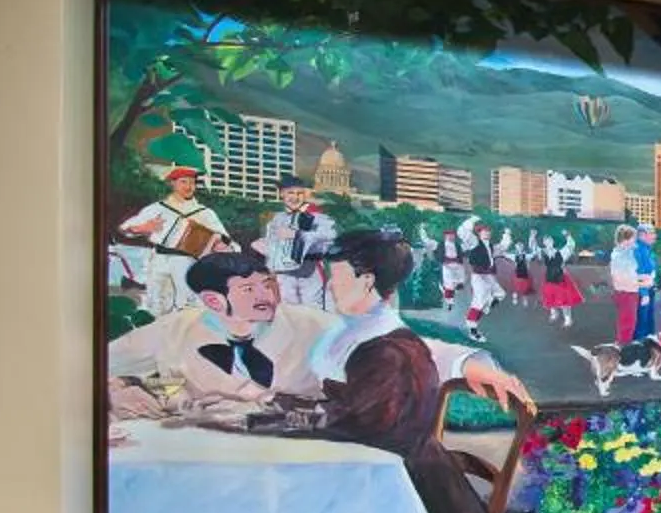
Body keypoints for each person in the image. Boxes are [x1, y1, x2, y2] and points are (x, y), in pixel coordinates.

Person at [108, 249, 528, 418]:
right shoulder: (173, 330)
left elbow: (401, 348)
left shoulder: (310, 325)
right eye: (249, 289)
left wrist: (471, 363)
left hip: (304, 454)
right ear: (215, 302)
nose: (266, 295)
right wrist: (142, 390)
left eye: (268, 282)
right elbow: (96, 367)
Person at [312, 228, 501, 513]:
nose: (329, 285)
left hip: (397, 483)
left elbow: (368, 429)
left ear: (367, 281)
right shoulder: (354, 330)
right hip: (366, 466)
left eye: (336, 277)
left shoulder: (388, 349)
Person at [117, 161, 232, 315]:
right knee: (156, 302)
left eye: (192, 182)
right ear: (173, 184)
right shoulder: (157, 208)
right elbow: (125, 228)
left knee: (188, 303)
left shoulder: (205, 212)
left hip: (187, 260)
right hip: (159, 258)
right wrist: (143, 228)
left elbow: (224, 239)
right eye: (184, 182)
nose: (189, 186)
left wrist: (220, 244)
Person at [257, 176, 335, 308]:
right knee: (288, 307)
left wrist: (297, 235)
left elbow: (329, 236)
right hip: (284, 272)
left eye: (299, 193)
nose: (295, 197)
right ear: (282, 194)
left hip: (309, 269)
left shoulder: (315, 216)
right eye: (290, 193)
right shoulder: (276, 219)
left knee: (313, 307)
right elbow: (273, 245)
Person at [458, 216, 501, 339]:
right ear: (479, 233)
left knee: (500, 294)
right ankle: (472, 330)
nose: (487, 233)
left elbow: (502, 247)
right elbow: (462, 232)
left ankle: (487, 307)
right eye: (484, 231)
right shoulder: (475, 242)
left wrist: (506, 236)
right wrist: (471, 221)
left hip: (489, 276)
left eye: (488, 231)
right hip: (478, 276)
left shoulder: (491, 246)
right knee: (479, 301)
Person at [608, 223, 650, 345]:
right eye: (633, 238)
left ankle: (622, 345)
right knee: (628, 322)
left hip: (629, 292)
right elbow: (623, 277)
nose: (634, 241)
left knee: (628, 321)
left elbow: (632, 272)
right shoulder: (620, 255)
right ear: (625, 239)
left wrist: (642, 278)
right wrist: (642, 281)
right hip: (626, 292)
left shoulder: (624, 252)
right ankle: (623, 347)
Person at [538, 242, 580, 326]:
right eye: (546, 241)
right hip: (550, 278)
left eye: (549, 241)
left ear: (552, 242)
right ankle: (554, 314)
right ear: (544, 243)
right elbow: (534, 248)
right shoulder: (543, 252)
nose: (548, 243)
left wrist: (568, 236)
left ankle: (568, 319)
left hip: (560, 278)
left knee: (564, 299)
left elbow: (570, 246)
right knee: (550, 297)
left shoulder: (560, 252)